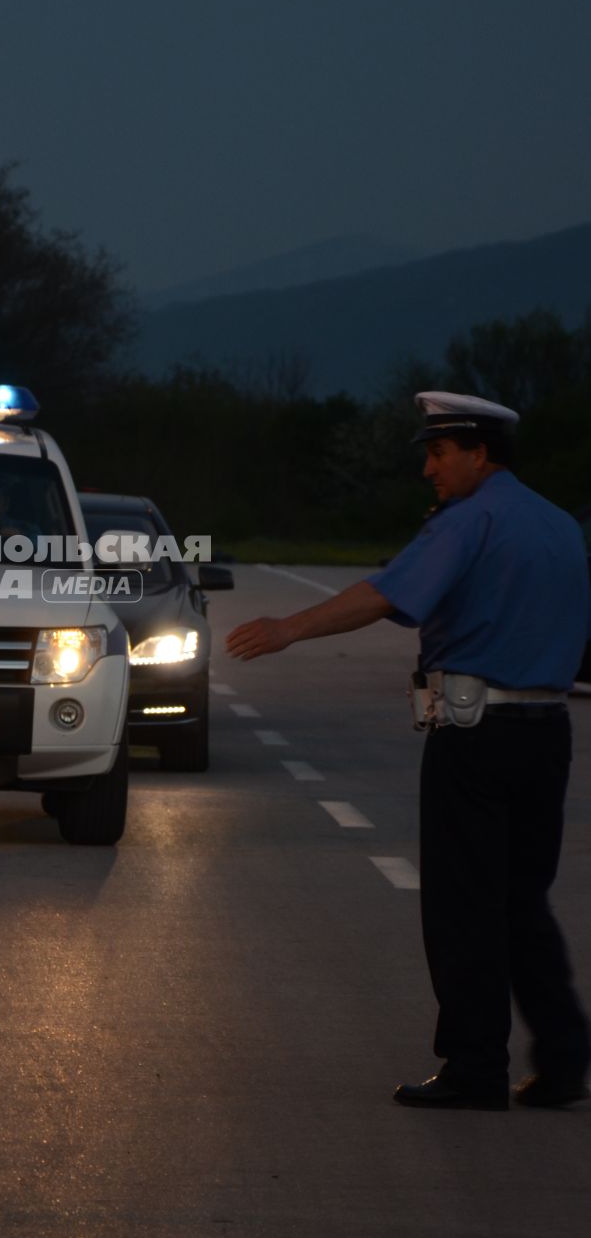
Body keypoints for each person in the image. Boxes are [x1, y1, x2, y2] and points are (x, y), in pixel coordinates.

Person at [227, 391, 591, 1112]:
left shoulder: (468, 521)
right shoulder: (556, 525)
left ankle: (473, 1067)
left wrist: (288, 629)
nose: (429, 468)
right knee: (521, 902)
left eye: (438, 452)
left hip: (476, 734)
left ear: (478, 452)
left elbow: (386, 594)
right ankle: (562, 1059)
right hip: (546, 732)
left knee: (463, 905)